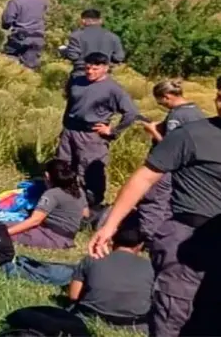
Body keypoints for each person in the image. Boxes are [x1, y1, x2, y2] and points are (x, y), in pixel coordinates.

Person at [89, 82, 221, 337]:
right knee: (175, 318)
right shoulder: (192, 134)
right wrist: (110, 225)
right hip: (188, 241)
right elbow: (144, 178)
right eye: (219, 96)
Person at [57, 52, 139, 207]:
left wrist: (113, 131)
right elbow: (71, 103)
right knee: (63, 165)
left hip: (91, 135)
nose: (90, 72)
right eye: (88, 68)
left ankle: (92, 207)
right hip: (70, 131)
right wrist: (65, 127)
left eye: (95, 69)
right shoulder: (76, 81)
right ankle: (64, 201)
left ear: (105, 68)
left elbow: (131, 113)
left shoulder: (113, 89)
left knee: (89, 171)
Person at [136, 80, 206, 246]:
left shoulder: (177, 115)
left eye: (160, 101)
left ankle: (149, 238)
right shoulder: (196, 111)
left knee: (154, 202)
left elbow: (170, 147)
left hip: (167, 168)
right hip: (188, 169)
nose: (160, 104)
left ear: (167, 97)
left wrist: (153, 131)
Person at [69, 213, 152, 331]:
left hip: (89, 317)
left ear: (112, 239)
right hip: (134, 325)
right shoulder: (151, 267)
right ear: (140, 245)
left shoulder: (93, 258)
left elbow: (73, 295)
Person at [8, 159, 89, 249]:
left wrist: (7, 232)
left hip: (51, 238)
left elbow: (35, 221)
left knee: (0, 227)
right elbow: (85, 214)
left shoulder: (51, 194)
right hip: (68, 237)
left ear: (47, 175)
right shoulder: (79, 191)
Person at [1, 0, 49, 70]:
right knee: (29, 68)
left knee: (9, 63)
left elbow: (7, 20)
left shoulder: (16, 1)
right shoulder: (43, 1)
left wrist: (6, 27)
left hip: (20, 37)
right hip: (38, 37)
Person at [62, 9, 125, 79]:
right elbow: (119, 57)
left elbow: (73, 56)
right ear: (100, 20)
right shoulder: (113, 37)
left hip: (81, 75)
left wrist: (64, 51)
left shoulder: (76, 36)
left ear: (83, 20)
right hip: (103, 76)